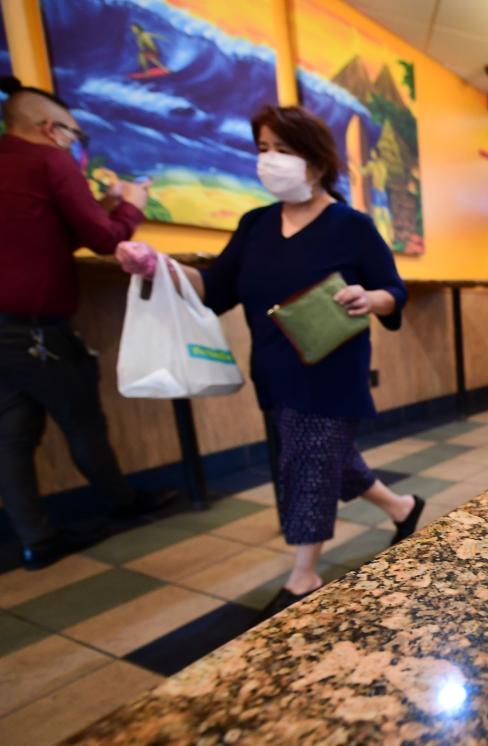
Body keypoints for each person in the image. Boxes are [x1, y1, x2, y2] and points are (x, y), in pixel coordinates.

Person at [117, 105, 425, 618]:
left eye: (283, 149)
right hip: (275, 371)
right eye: (262, 149)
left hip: (332, 370)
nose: (270, 160)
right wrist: (159, 267)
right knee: (329, 458)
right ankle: (403, 508)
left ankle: (303, 576)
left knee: (305, 463)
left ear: (317, 160)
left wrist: (373, 300)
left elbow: (394, 290)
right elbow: (214, 289)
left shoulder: (352, 226)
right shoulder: (255, 225)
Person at [0, 75, 172, 569]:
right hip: (37, 330)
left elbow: (38, 237)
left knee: (12, 435)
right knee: (83, 422)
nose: (76, 146)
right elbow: (102, 238)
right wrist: (130, 206)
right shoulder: (49, 161)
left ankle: (36, 539)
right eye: (75, 136)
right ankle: (121, 504)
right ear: (51, 128)